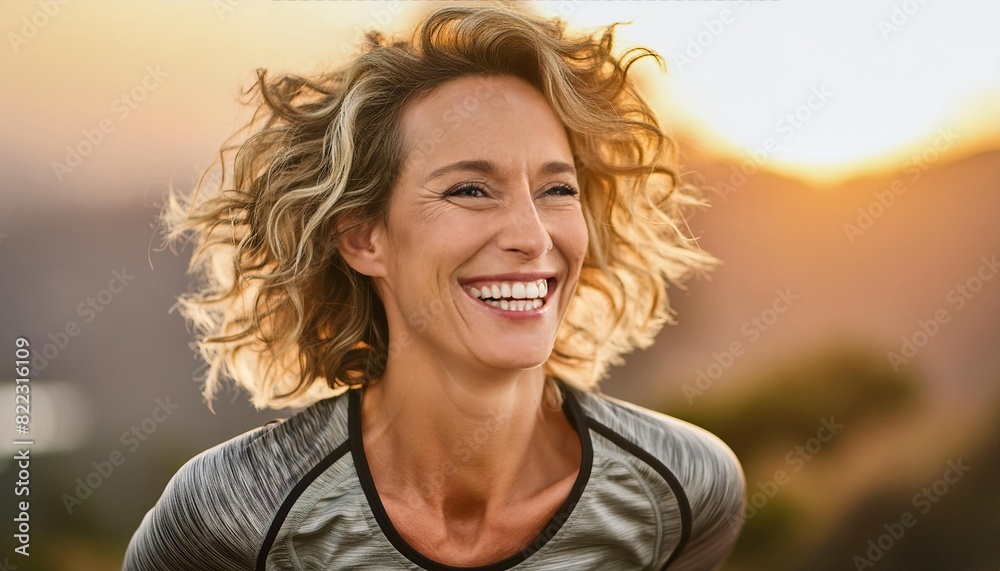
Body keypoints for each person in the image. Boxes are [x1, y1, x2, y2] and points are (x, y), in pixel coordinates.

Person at [124, 5, 745, 570]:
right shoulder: (231, 518)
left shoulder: (685, 490)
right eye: (470, 190)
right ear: (364, 238)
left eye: (558, 189)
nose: (532, 236)